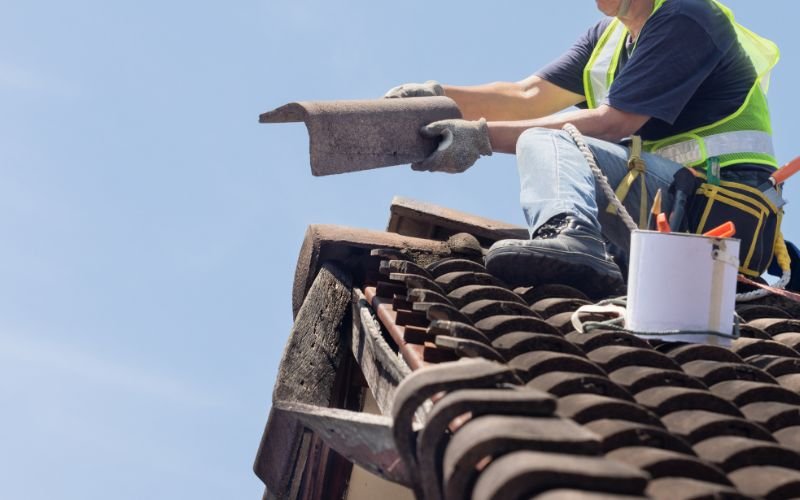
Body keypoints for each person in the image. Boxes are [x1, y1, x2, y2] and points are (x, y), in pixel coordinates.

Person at [385, 0, 780, 299]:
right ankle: (582, 248)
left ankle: (573, 237)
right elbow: (527, 95)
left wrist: (479, 138)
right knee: (550, 140)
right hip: (665, 207)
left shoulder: (686, 16)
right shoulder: (606, 40)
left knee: (550, 140)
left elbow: (613, 123)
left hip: (712, 218)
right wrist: (440, 97)